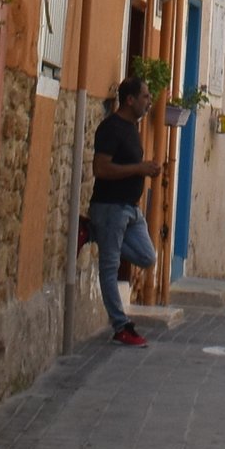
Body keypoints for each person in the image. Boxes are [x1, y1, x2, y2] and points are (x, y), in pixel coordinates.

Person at [87, 84, 158, 347]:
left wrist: (144, 170)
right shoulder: (111, 129)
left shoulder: (132, 129)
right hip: (111, 206)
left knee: (147, 256)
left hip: (130, 209)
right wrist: (139, 168)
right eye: (145, 96)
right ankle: (121, 326)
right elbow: (101, 169)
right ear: (130, 100)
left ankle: (95, 231)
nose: (150, 101)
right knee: (110, 266)